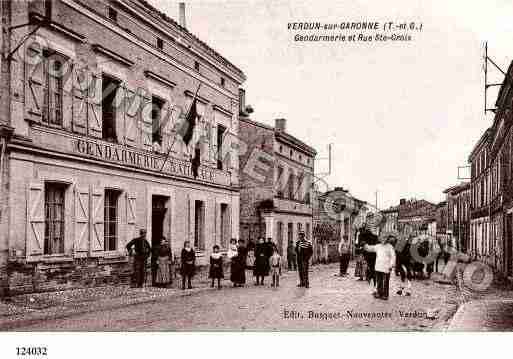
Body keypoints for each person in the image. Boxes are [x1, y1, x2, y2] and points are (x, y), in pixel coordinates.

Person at [365, 235, 396, 300]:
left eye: (385, 238)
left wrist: (391, 265)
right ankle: (379, 293)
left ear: (387, 239)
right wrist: (365, 245)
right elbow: (370, 248)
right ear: (380, 239)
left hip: (386, 267)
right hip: (378, 266)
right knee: (379, 281)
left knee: (386, 282)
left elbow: (393, 256)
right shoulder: (378, 246)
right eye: (382, 238)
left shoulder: (390, 247)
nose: (383, 240)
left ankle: (385, 295)